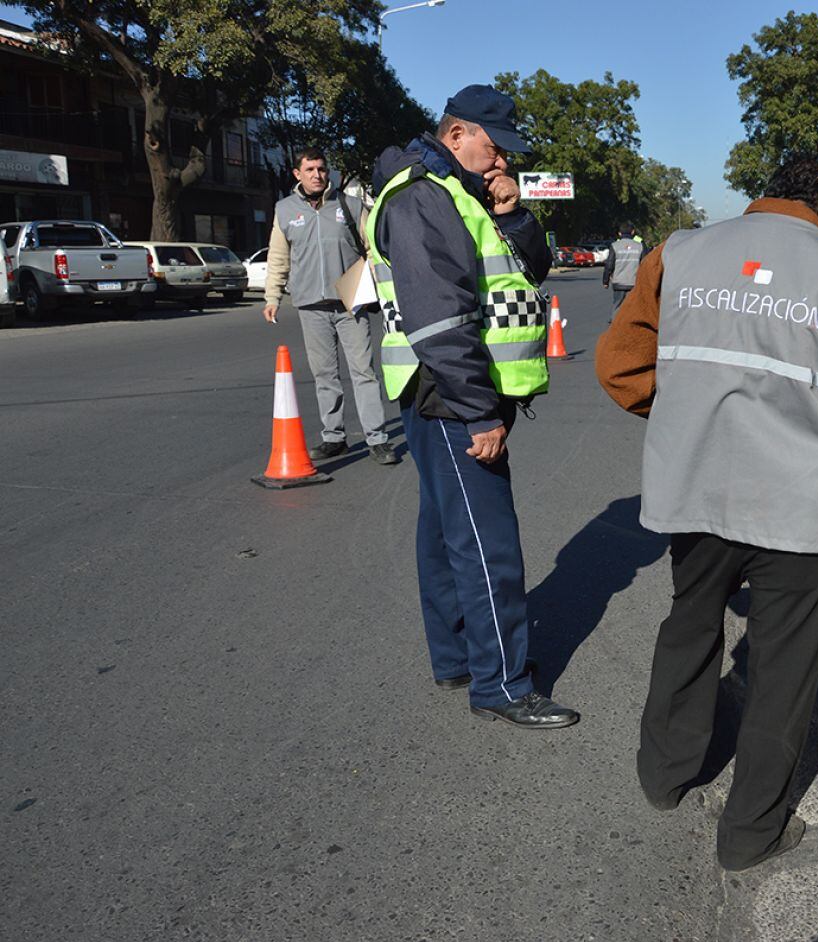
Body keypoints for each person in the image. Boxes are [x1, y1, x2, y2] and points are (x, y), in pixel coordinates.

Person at [594, 151, 818, 870]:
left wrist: (689, 409)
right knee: (784, 667)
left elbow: (619, 366)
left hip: (697, 487)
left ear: (766, 194)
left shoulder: (678, 252)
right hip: (799, 504)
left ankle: (664, 774)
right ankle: (750, 834)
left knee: (690, 622)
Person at [365, 84, 579, 729]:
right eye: (492, 147)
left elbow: (524, 271)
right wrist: (478, 411)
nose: (500, 162)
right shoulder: (422, 196)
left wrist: (511, 213)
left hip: (454, 389)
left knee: (444, 531)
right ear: (456, 134)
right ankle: (503, 685)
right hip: (452, 393)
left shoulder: (462, 192)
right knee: (489, 545)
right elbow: (438, 319)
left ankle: (458, 656)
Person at [263, 148, 395, 465]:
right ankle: (334, 437)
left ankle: (377, 438)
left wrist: (387, 290)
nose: (316, 175)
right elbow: (278, 257)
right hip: (310, 303)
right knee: (324, 375)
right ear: (297, 174)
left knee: (364, 372)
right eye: (309, 169)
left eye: (321, 169)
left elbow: (373, 250)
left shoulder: (349, 205)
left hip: (351, 302)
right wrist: (272, 297)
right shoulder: (285, 210)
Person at [602, 225, 646, 320]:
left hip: (619, 283)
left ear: (619, 233)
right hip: (634, 283)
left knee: (617, 306)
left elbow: (609, 265)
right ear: (633, 232)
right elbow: (645, 265)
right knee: (634, 307)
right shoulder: (640, 246)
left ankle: (614, 326)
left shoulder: (615, 246)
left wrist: (605, 281)